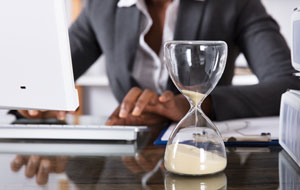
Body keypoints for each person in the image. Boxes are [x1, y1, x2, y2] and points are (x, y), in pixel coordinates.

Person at [19, 0, 300, 125]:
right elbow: (48, 79)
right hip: (127, 158)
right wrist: (38, 100)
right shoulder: (99, 6)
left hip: (201, 145)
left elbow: (287, 85)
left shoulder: (236, 4)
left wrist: (198, 104)